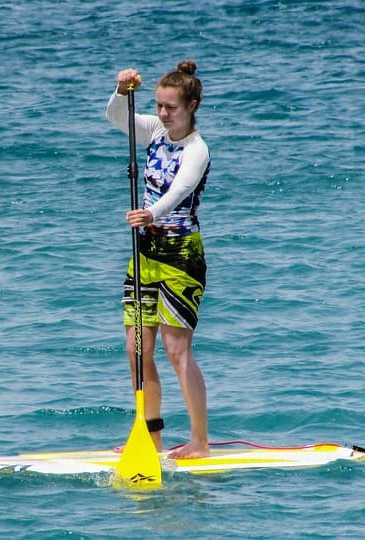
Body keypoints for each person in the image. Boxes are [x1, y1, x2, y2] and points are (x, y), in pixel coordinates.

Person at [105, 60, 211, 459]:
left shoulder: (197, 149)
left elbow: (180, 190)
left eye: (171, 108)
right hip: (144, 253)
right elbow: (117, 116)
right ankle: (149, 438)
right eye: (159, 106)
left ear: (192, 105)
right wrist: (120, 91)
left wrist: (152, 214)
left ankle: (199, 441)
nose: (163, 114)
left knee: (176, 351)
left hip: (181, 256)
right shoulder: (153, 131)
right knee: (137, 347)